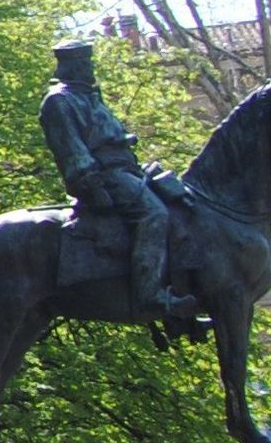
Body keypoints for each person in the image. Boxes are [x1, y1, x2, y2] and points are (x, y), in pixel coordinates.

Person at [41, 39, 182, 321]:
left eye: (89, 63)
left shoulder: (90, 96)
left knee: (181, 203)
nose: (90, 68)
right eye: (85, 64)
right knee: (154, 214)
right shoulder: (60, 100)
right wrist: (93, 185)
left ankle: (182, 308)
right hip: (104, 175)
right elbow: (73, 150)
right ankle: (150, 295)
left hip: (127, 169)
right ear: (71, 66)